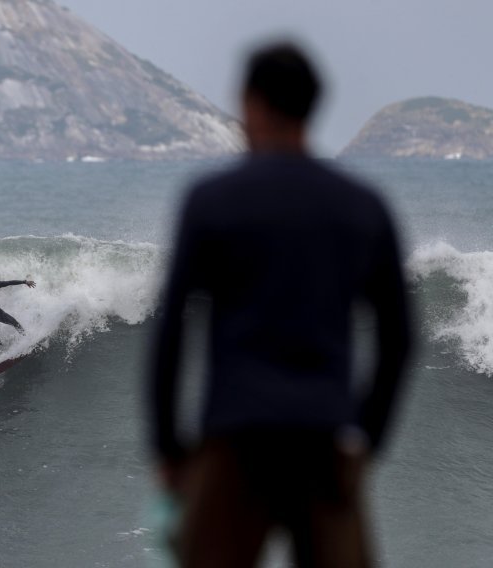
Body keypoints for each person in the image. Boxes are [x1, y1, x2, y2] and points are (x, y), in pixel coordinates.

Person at [148, 41, 411, 568]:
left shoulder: (212, 200)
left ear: (251, 103)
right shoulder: (362, 206)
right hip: (324, 440)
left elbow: (170, 330)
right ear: (312, 106)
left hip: (234, 440)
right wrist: (366, 440)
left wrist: (170, 449)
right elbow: (399, 336)